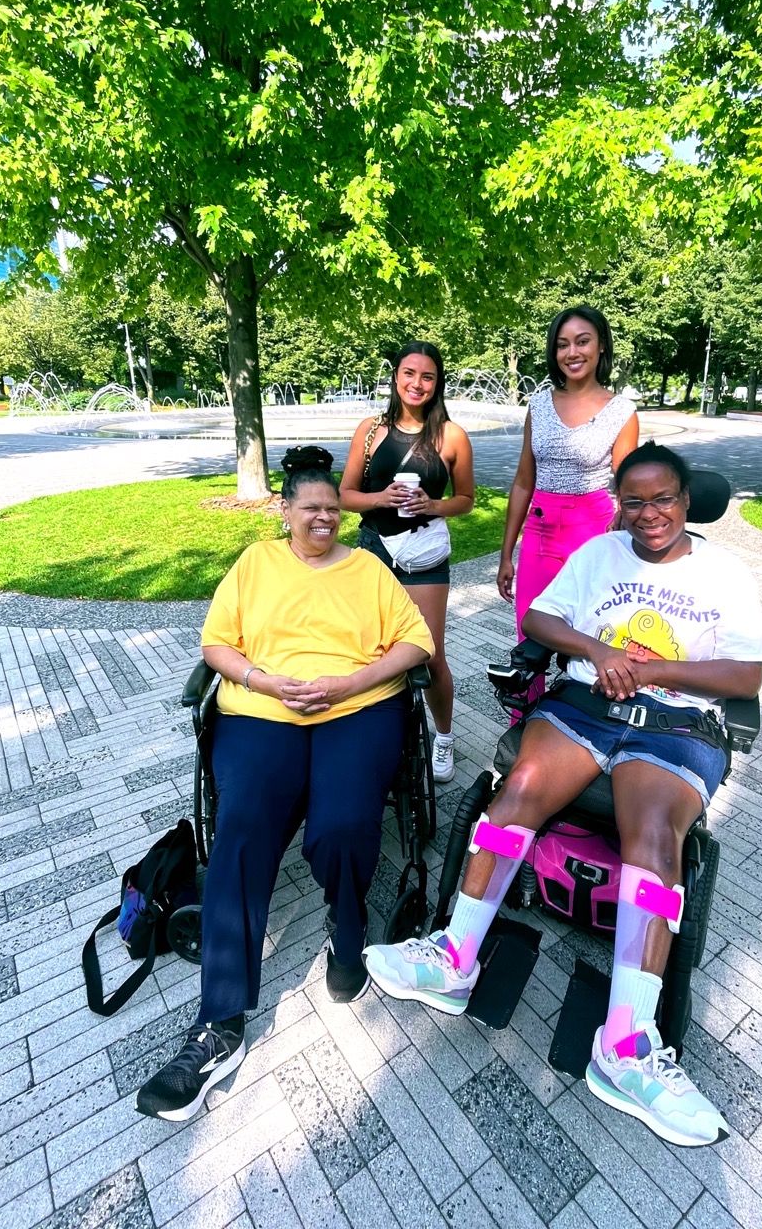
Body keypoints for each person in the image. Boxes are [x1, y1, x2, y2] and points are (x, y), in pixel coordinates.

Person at [365, 441, 762, 1148]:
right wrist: (597, 653)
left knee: (651, 836)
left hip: (675, 722)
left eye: (663, 499)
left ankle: (627, 1046)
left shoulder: (727, 574)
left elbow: (745, 678)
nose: (649, 514)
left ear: (685, 498)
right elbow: (538, 622)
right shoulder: (597, 557)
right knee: (516, 788)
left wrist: (650, 671)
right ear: (621, 503)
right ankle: (455, 956)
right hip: (585, 707)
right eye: (634, 501)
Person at [136, 446, 433, 1123]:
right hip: (261, 710)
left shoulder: (367, 569)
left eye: (333, 507)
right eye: (310, 508)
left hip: (357, 707)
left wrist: (348, 682)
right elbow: (217, 646)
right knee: (241, 829)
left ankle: (345, 928)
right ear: (285, 511)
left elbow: (416, 643)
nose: (324, 518)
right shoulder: (255, 565)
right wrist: (264, 681)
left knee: (344, 824)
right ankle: (219, 1025)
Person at [340, 341, 474, 783]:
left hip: (424, 552)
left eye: (428, 376)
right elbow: (344, 496)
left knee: (428, 651)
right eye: (409, 373)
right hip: (374, 546)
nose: (417, 383)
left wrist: (431, 505)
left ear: (438, 385)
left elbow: (466, 500)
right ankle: (374, 733)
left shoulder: (450, 436)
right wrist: (379, 498)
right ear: (395, 377)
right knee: (370, 648)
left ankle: (445, 736)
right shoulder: (371, 430)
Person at [498, 305, 639, 701]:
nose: (572, 353)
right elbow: (524, 482)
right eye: (562, 345)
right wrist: (507, 554)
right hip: (540, 534)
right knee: (531, 637)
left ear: (600, 347)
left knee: (592, 632)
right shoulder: (539, 404)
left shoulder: (621, 411)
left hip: (593, 531)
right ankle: (525, 729)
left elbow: (627, 489)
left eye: (582, 341)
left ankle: (586, 725)